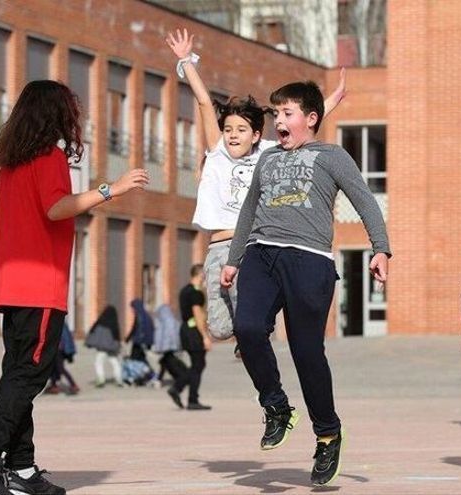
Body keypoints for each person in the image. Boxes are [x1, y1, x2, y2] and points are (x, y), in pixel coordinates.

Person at [0, 80, 148, 495]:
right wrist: (110, 189)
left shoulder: (11, 164)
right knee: (30, 375)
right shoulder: (50, 156)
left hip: (11, 283)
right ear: (57, 114)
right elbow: (57, 207)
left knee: (18, 374)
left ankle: (21, 469)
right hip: (39, 284)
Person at [221, 80, 390, 487]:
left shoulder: (331, 156)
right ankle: (276, 405)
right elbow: (248, 210)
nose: (279, 120)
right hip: (262, 253)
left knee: (306, 352)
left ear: (311, 120)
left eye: (287, 114)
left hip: (310, 260)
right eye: (276, 114)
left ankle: (328, 433)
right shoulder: (267, 160)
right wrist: (233, 258)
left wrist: (380, 249)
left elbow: (365, 200)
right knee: (247, 328)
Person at [165, 29, 346, 353]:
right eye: (228, 130)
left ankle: (253, 330)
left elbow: (302, 126)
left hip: (251, 247)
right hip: (219, 248)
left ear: (256, 134)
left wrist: (331, 101)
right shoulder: (216, 150)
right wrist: (185, 61)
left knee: (252, 320)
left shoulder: (269, 154)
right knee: (220, 328)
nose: (232, 136)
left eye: (240, 130)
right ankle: (246, 332)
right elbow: (205, 101)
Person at [167, 264, 213, 410]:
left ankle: (181, 390)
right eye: (204, 275)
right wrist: (205, 336)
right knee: (198, 364)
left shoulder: (184, 291)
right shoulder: (196, 293)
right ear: (200, 275)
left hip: (185, 330)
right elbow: (198, 314)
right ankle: (188, 396)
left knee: (197, 364)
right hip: (194, 331)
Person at [85, 305, 124, 388]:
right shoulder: (114, 324)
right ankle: (119, 379)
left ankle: (101, 380)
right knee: (115, 363)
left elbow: (92, 332)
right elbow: (117, 337)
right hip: (111, 348)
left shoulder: (100, 322)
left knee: (99, 362)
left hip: (102, 348)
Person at [44, 323, 80, 395]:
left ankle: (73, 385)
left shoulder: (57, 322)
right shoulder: (59, 321)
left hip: (57, 349)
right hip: (55, 348)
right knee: (53, 368)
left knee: (60, 368)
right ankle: (54, 386)